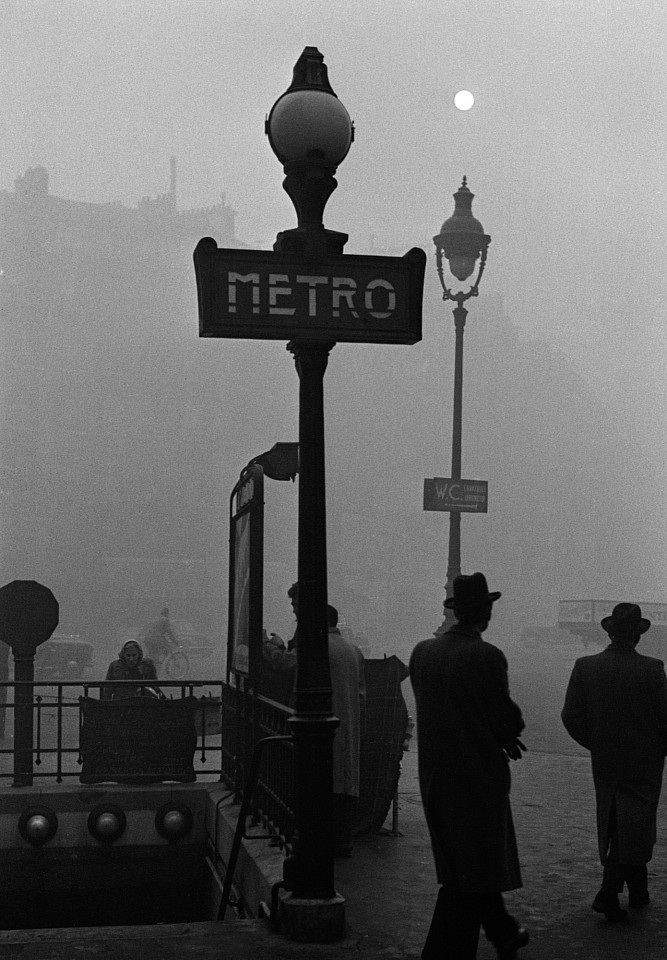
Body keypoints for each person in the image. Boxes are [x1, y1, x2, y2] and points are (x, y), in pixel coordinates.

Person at [409, 572, 529, 960]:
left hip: (435, 776)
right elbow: (506, 718)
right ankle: (458, 948)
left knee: (463, 866)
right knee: (473, 872)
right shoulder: (487, 656)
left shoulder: (422, 653)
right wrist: (505, 735)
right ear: (486, 612)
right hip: (478, 778)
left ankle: (503, 933)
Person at [561, 602, 667, 921]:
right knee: (636, 825)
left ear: (609, 632)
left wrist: (597, 744)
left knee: (617, 823)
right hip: (644, 763)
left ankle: (638, 891)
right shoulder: (652, 669)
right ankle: (608, 894)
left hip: (606, 762)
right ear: (637, 636)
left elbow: (572, 716)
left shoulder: (585, 666)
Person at [263, 597, 365, 856]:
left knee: (317, 783)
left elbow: (285, 665)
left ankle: (318, 844)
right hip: (346, 724)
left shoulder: (314, 646)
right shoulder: (353, 650)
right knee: (342, 783)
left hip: (318, 725)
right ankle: (342, 841)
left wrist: (268, 645)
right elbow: (362, 694)